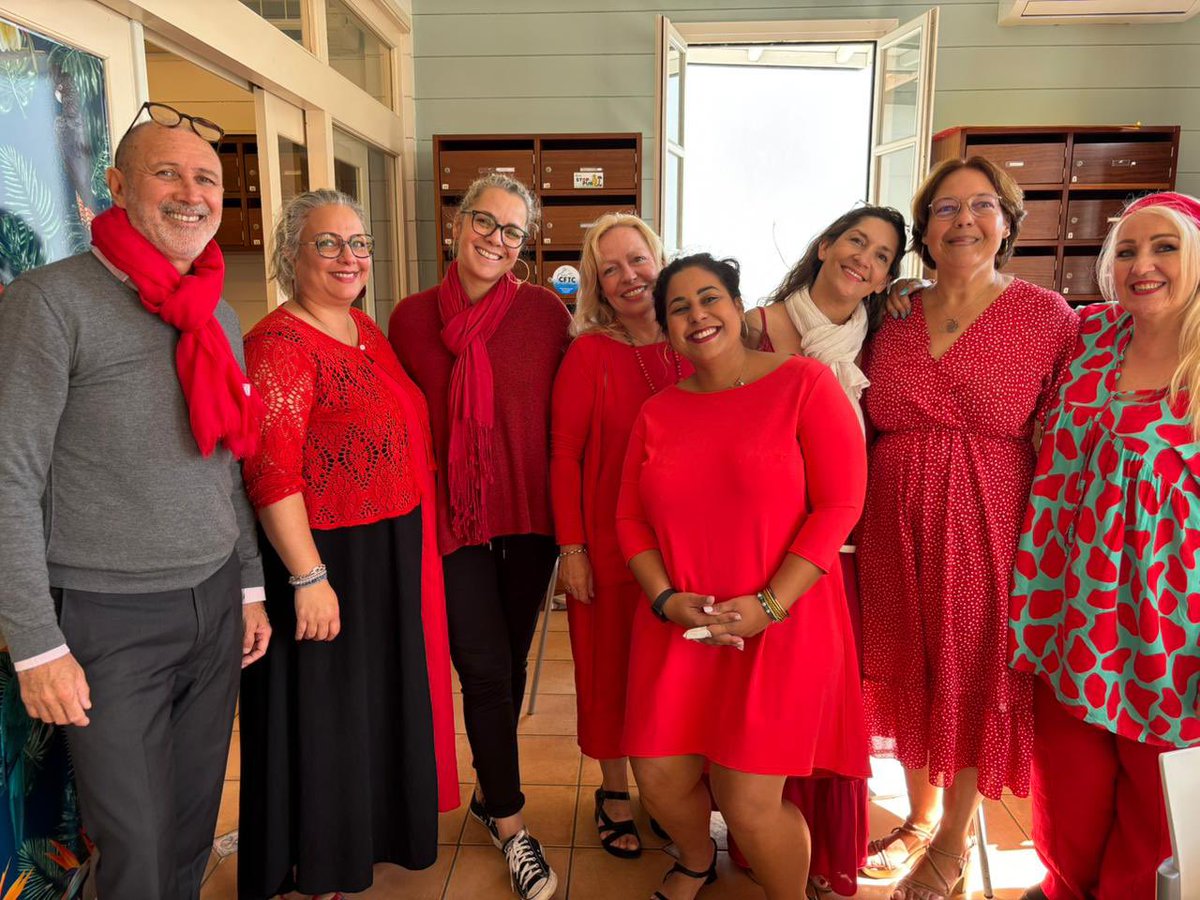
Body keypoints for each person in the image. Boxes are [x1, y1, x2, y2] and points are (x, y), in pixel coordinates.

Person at [0, 110, 271, 900]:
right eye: (167, 173)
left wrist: (248, 586)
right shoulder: (51, 303)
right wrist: (36, 644)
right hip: (107, 618)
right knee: (137, 846)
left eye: (206, 178)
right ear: (117, 187)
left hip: (213, 605)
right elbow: (9, 476)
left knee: (189, 828)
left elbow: (225, 460)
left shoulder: (218, 313)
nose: (191, 193)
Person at [856, 156, 1079, 900]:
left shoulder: (1048, 316)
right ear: (923, 231)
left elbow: (1066, 434)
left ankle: (952, 842)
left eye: (983, 205)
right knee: (909, 665)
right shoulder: (890, 313)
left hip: (990, 521)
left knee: (974, 671)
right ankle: (919, 817)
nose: (964, 221)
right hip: (891, 520)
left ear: (1008, 222)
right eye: (945, 209)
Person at [617, 253, 869, 900]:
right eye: (679, 308)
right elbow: (630, 521)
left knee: (747, 800)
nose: (697, 315)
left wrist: (769, 605)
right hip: (681, 628)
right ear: (667, 330)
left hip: (782, 626)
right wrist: (665, 599)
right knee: (659, 776)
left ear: (737, 306)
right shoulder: (657, 412)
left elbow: (840, 504)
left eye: (710, 298)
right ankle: (696, 859)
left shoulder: (804, 384)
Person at [236, 190, 458, 899]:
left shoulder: (362, 325)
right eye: (327, 243)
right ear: (291, 255)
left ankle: (371, 836)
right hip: (325, 555)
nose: (348, 256)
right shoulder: (279, 345)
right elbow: (271, 472)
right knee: (327, 712)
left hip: (386, 546)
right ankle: (318, 861)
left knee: (370, 706)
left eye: (358, 242)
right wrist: (309, 577)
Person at [1009, 191, 1200, 900]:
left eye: (1164, 247)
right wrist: (902, 297)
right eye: (1126, 251)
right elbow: (998, 319)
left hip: (1170, 633)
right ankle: (1066, 888)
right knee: (1068, 788)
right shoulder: (1088, 334)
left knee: (1156, 808)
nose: (1142, 265)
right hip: (1071, 614)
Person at [390, 173, 570, 900]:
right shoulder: (409, 318)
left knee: (508, 664)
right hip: (454, 520)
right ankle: (513, 824)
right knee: (486, 668)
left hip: (528, 518)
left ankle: (491, 790)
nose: (496, 239)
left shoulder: (547, 314)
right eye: (485, 222)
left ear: (525, 243)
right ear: (458, 225)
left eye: (512, 231)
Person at [738, 205, 905, 897]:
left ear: (887, 278)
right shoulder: (757, 327)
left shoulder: (882, 340)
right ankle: (764, 839)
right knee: (768, 701)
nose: (863, 258)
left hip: (842, 550)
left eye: (882, 255)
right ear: (826, 246)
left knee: (824, 703)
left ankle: (822, 853)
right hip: (763, 545)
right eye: (855, 241)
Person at [550, 213, 690, 859]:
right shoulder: (590, 354)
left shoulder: (697, 337)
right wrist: (572, 549)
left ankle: (667, 791)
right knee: (609, 675)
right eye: (611, 269)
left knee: (672, 680)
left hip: (687, 549)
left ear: (660, 260)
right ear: (598, 285)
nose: (629, 276)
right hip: (608, 549)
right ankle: (613, 791)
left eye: (638, 260)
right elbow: (564, 456)